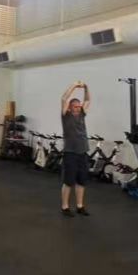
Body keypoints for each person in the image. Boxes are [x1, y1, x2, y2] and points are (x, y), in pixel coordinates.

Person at [60, 80, 91, 217]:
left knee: (81, 181)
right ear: (70, 107)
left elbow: (88, 100)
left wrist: (86, 87)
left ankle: (80, 206)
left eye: (79, 106)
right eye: (75, 107)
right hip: (70, 153)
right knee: (68, 182)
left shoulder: (82, 114)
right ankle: (65, 207)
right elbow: (64, 98)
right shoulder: (66, 116)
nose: (78, 108)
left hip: (83, 152)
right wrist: (74, 85)